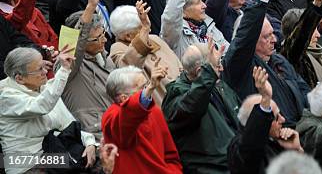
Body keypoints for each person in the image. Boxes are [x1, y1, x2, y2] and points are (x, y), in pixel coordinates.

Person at [222, 0, 310, 127]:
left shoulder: (279, 61)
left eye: (272, 34)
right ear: (253, 40)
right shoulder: (240, 66)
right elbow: (246, 34)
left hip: (301, 129)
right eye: (266, 36)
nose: (274, 39)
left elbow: (304, 92)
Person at [0, 46, 97, 174]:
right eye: (39, 69)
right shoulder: (6, 96)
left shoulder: (45, 89)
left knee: (104, 159)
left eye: (43, 66)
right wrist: (64, 70)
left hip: (54, 153)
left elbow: (68, 126)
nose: (45, 72)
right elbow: (41, 106)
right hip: (25, 164)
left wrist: (90, 143)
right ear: (19, 78)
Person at [162, 41, 241, 174]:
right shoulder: (176, 96)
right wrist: (209, 73)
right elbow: (192, 104)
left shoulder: (216, 85)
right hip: (215, 169)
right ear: (200, 71)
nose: (221, 68)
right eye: (217, 65)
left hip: (237, 159)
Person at [60, 0, 114, 140]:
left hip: (116, 127)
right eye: (97, 38)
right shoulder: (67, 64)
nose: (104, 40)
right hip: (93, 136)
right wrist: (91, 6)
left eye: (103, 34)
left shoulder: (103, 56)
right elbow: (72, 43)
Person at [102, 65, 182, 173]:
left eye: (147, 85)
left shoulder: (154, 111)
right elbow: (127, 119)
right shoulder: (111, 116)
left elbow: (170, 155)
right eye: (143, 87)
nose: (148, 91)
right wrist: (150, 88)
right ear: (124, 98)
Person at [227, 66, 303, 174]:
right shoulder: (240, 150)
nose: (283, 119)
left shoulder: (277, 142)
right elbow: (250, 149)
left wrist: (297, 149)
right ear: (255, 122)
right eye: (276, 117)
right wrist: (265, 99)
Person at [108, 2, 182, 105]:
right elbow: (130, 66)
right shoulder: (118, 49)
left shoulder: (154, 38)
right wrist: (145, 28)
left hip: (184, 95)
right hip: (165, 107)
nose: (149, 29)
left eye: (146, 25)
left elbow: (178, 65)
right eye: (141, 28)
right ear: (128, 36)